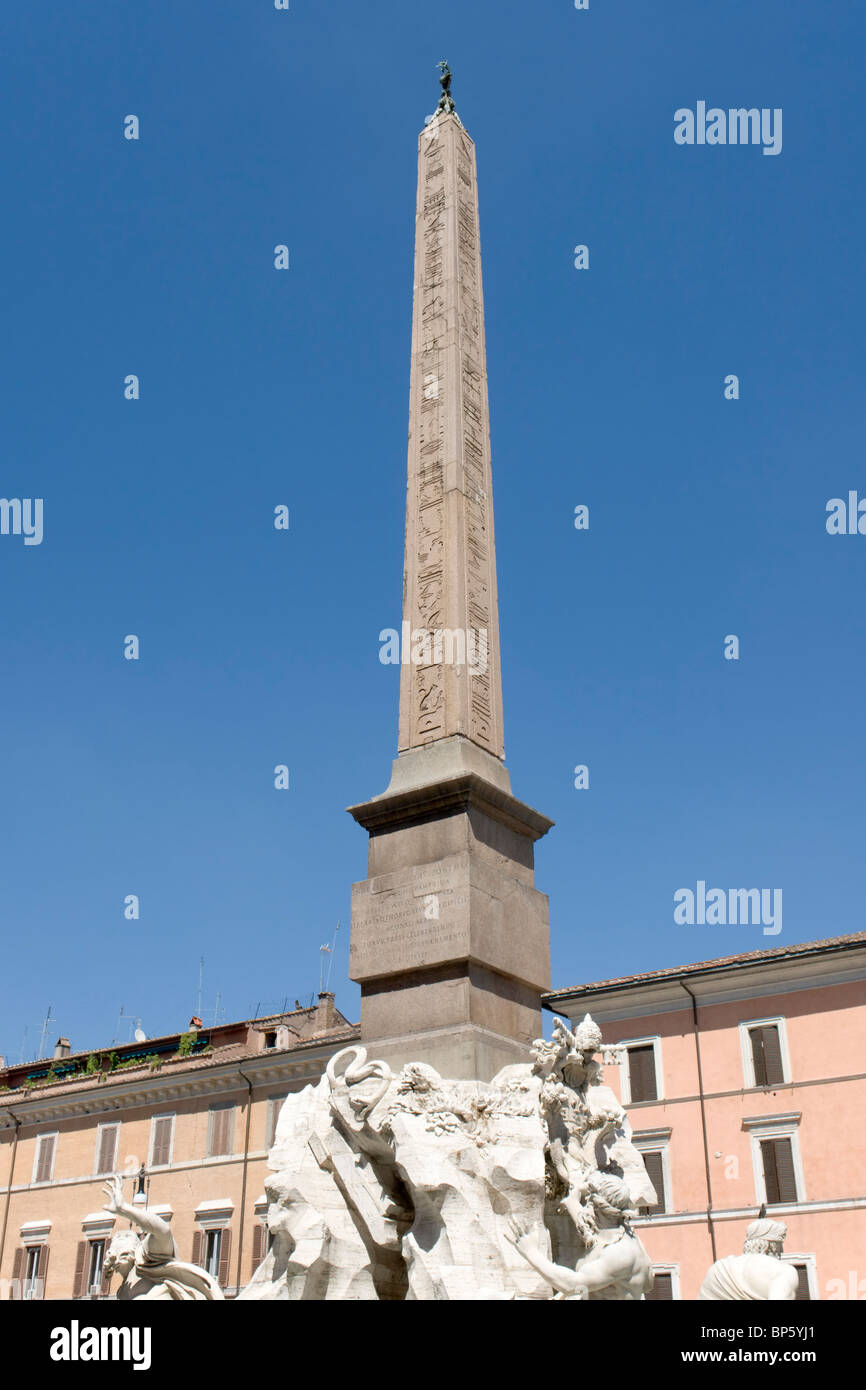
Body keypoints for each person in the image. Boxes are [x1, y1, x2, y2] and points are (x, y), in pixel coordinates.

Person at [102, 1175, 224, 1300]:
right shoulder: (122, 1291)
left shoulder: (147, 1258)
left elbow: (162, 1230)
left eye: (121, 1250)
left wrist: (124, 1208)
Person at [699, 1218, 799, 1301]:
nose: (782, 1251)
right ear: (774, 1246)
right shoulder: (784, 1271)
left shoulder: (718, 1269)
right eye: (781, 1245)